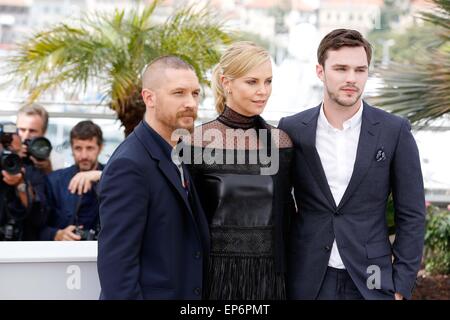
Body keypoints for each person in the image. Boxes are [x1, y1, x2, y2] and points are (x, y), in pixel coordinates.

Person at [278, 29, 426, 300]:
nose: (351, 79)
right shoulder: (292, 129)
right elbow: (280, 204)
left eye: (360, 70)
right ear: (320, 72)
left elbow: (412, 213)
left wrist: (401, 286)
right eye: (341, 68)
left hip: (373, 279)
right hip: (307, 278)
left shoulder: (394, 131)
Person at [183, 41, 295, 300]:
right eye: (252, 82)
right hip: (213, 278)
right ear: (226, 82)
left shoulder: (281, 143)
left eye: (268, 81)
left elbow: (290, 214)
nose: (263, 91)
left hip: (271, 279)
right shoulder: (194, 142)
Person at [97, 56, 210, 300]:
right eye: (178, 93)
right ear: (150, 98)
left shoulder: (182, 154)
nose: (190, 102)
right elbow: (117, 270)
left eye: (195, 93)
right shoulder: (129, 165)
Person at [40, 120, 104, 241]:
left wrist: (101, 176)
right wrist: (57, 234)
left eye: (90, 148)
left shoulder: (112, 176)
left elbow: (131, 187)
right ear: (72, 149)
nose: (84, 155)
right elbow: (36, 226)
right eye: (78, 148)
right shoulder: (54, 181)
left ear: (100, 148)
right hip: (64, 253)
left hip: (103, 250)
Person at [0, 123, 48, 241]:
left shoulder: (32, 173)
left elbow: (39, 218)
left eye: (13, 152)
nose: (8, 156)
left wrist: (20, 184)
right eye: (4, 151)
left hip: (23, 245)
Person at [16, 103, 64, 174]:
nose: (26, 136)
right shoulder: (5, 152)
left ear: (44, 132)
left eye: (32, 131)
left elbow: (57, 184)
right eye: (22, 130)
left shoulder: (55, 158)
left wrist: (47, 169)